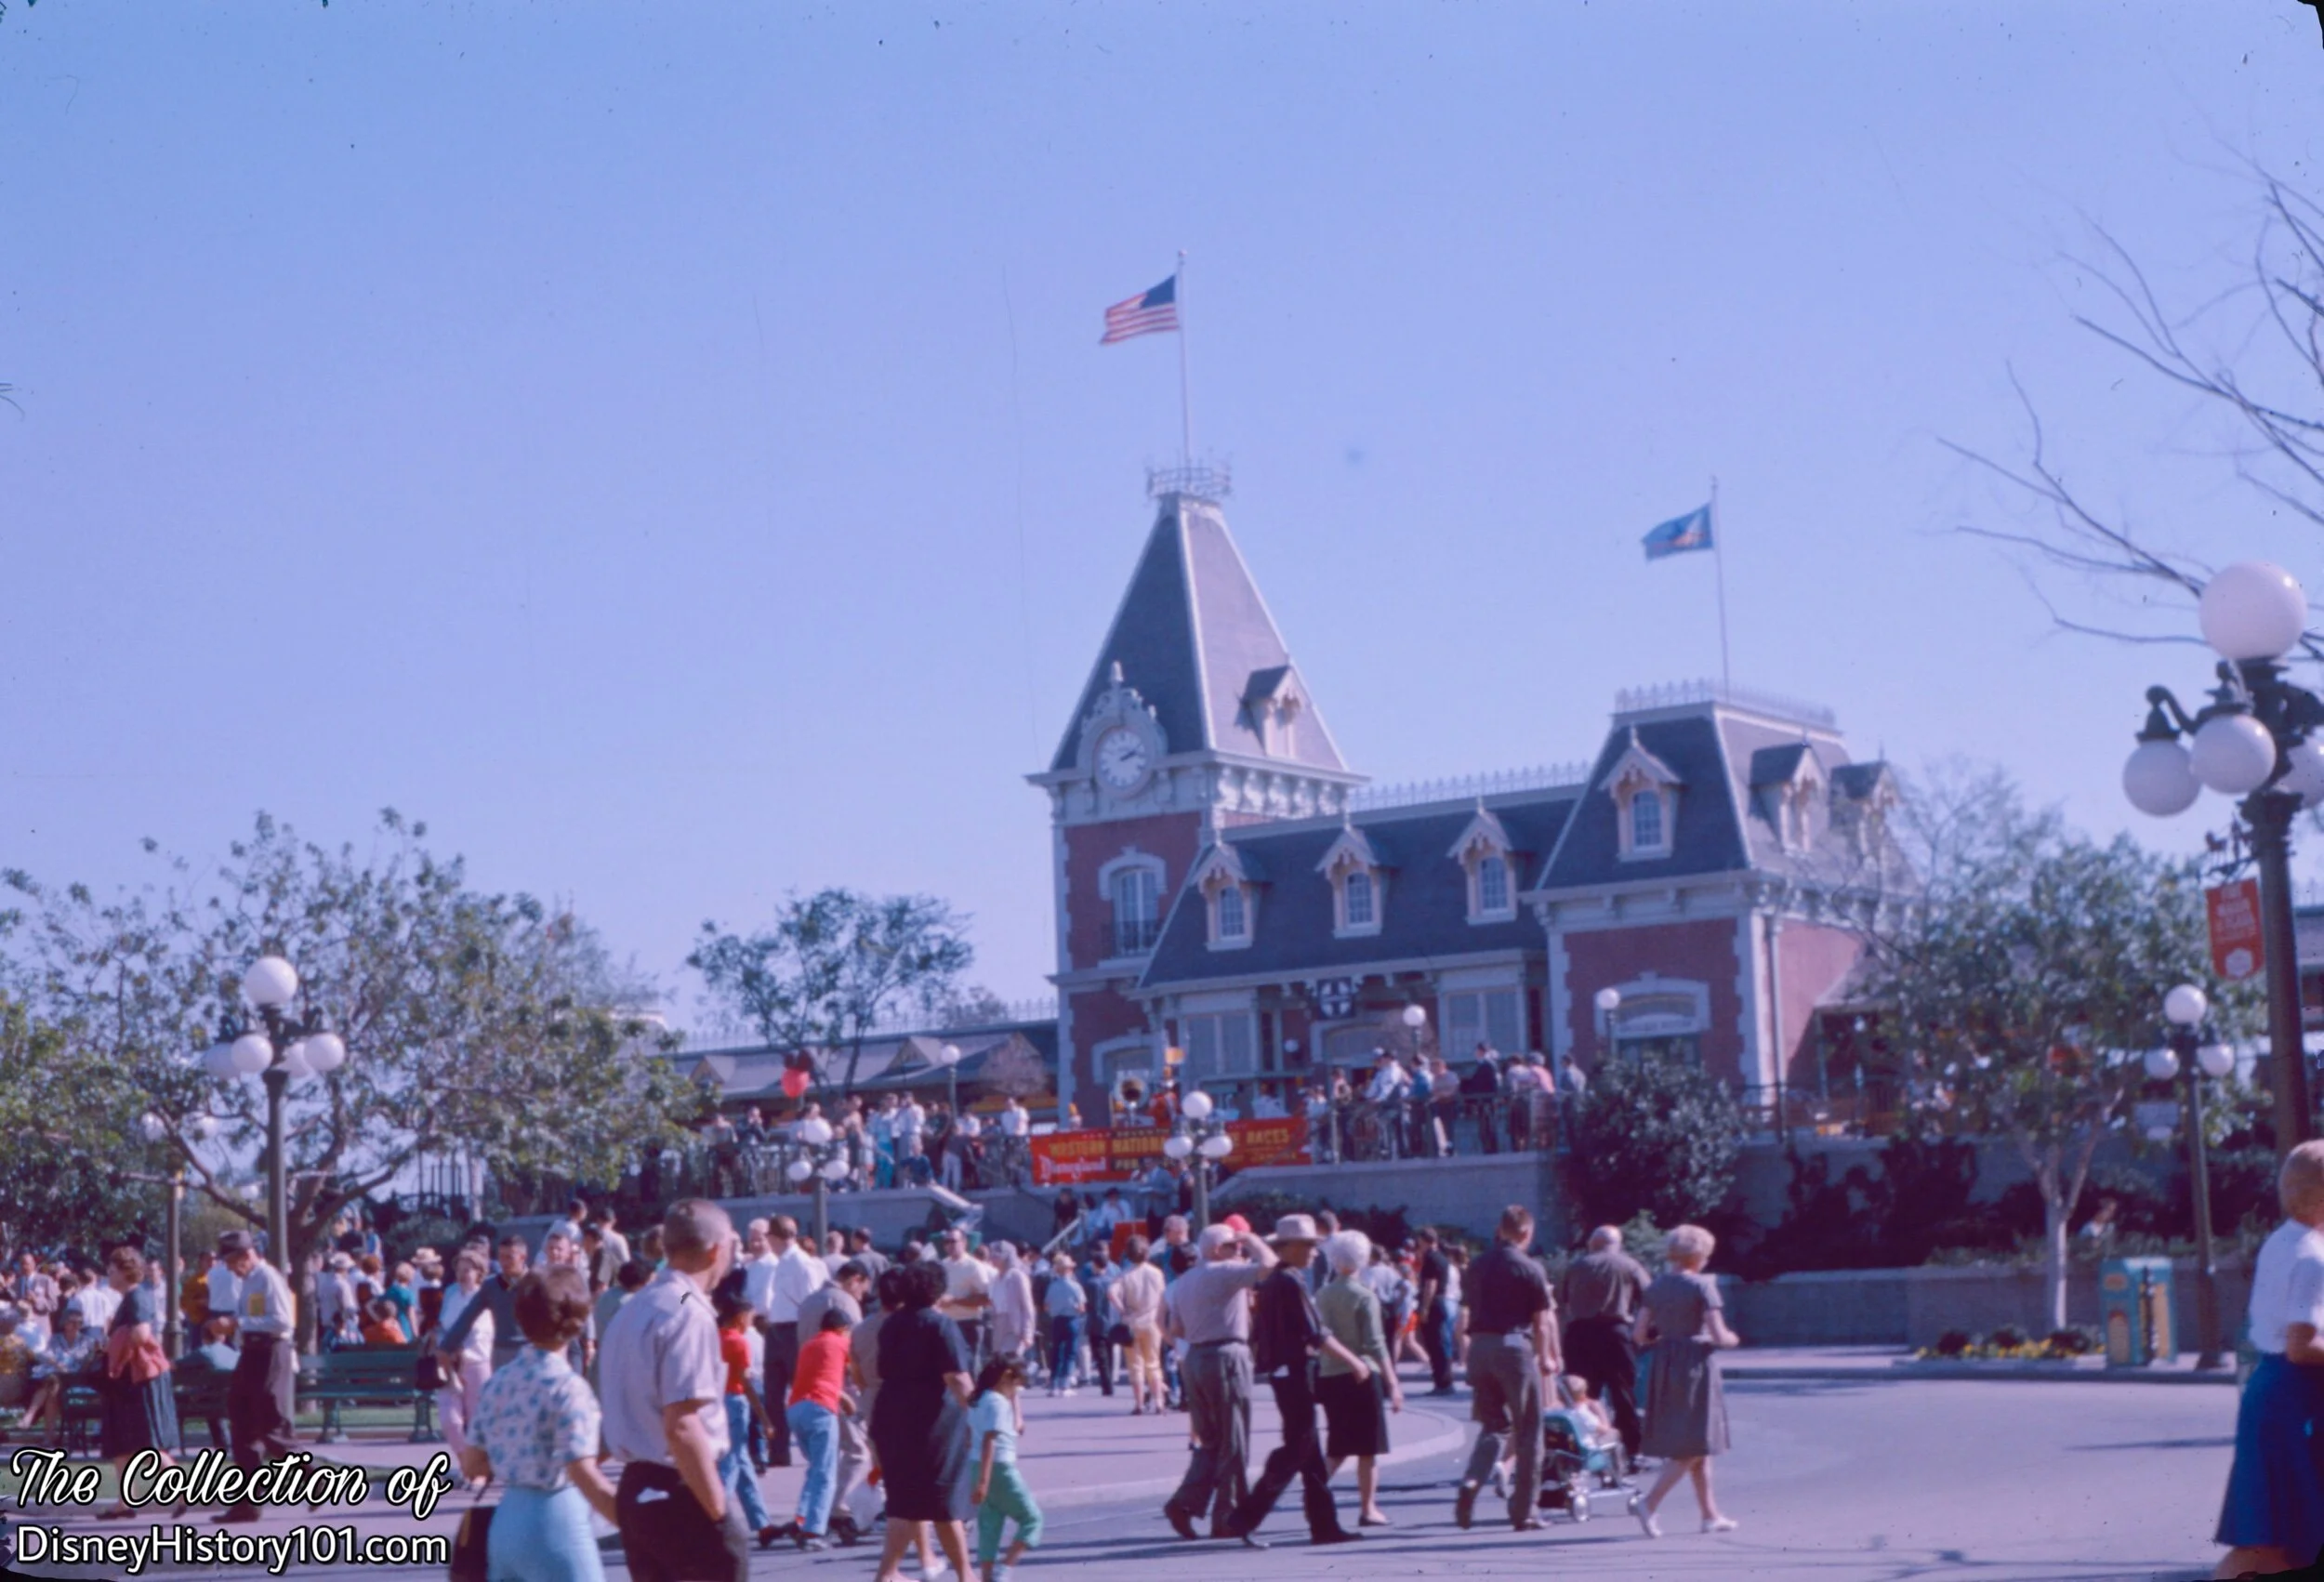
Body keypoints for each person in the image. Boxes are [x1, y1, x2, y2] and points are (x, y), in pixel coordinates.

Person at [600, 1199, 748, 1582]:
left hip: (637, 1489)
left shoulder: (636, 1308)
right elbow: (682, 1425)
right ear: (717, 1250)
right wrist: (720, 1514)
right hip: (679, 1489)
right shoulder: (685, 1312)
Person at [460, 1268, 621, 1582]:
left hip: (506, 1521)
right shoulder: (569, 1388)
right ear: (577, 1320)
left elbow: (472, 1463)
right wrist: (631, 1522)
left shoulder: (500, 1381)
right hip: (556, 1519)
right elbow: (581, 1471)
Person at [2216, 1140, 2324, 1577]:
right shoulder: (2313, 1258)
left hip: (2275, 1395)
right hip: (2292, 1403)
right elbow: (2302, 1346)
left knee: (2280, 1545)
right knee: (2270, 1547)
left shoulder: (2283, 1242)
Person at [1222, 1215, 1362, 1548]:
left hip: (1285, 1375)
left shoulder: (1272, 1282)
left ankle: (1324, 1525)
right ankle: (1245, 1517)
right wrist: (1354, 1361)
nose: (1315, 1252)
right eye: (1309, 1246)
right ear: (1289, 1247)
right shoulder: (1290, 1282)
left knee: (1310, 1453)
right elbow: (1317, 1333)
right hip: (1297, 1374)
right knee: (1296, 1450)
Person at [1160, 1222, 1278, 1540]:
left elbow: (1177, 1330)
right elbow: (1269, 1265)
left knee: (1210, 1441)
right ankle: (1228, 1517)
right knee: (1234, 1440)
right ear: (1216, 1249)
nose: (1238, 1249)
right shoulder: (1225, 1271)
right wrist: (1252, 1238)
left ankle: (1185, 1503)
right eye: (1232, 1244)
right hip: (1226, 1355)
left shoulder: (1184, 1282)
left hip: (1195, 1359)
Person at [1451, 1205, 1561, 1533]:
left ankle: (1473, 1478)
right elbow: (1541, 1323)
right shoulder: (1530, 1268)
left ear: (1500, 1230)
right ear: (1526, 1233)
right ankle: (1524, 1510)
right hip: (1514, 1347)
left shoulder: (1478, 1265)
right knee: (1528, 1430)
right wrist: (1546, 1358)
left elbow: (1467, 1308)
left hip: (1480, 1347)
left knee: (1493, 1425)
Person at [867, 1259, 977, 1582]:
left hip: (891, 1412)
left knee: (904, 1500)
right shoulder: (940, 1325)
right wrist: (980, 1412)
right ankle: (965, 1575)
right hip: (933, 1419)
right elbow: (957, 1378)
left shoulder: (891, 1324)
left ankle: (887, 1574)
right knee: (943, 1500)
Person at [1632, 1222, 1738, 1537]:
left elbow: (1639, 1334)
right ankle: (1649, 1503)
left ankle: (1710, 1515)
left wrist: (1665, 1338)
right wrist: (1731, 1339)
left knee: (1698, 1443)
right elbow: (1718, 1334)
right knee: (1695, 1442)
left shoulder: (1655, 1288)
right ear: (1699, 1256)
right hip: (1694, 1362)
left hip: (1664, 1361)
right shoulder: (1702, 1287)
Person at [1314, 1229, 1400, 1525]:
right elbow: (1376, 1343)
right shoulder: (1365, 1296)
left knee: (1338, 1443)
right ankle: (1368, 1508)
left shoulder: (1321, 1295)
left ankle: (1314, 1491)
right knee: (1368, 1447)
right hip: (1362, 1374)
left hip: (1329, 1374)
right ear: (1363, 1259)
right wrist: (1393, 1382)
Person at [218, 1230, 298, 1524]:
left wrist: (239, 1322)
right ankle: (247, 1503)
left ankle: (309, 1473)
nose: (227, 1267)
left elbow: (282, 1321)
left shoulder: (269, 1278)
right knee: (241, 1422)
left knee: (270, 1421)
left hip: (271, 1351)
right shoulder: (248, 1282)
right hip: (251, 1353)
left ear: (245, 1256)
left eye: (230, 1260)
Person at [91, 1246, 178, 1518]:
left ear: (125, 1271)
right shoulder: (130, 1298)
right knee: (122, 1443)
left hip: (136, 1379)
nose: (108, 1274)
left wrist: (113, 1347)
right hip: (126, 1380)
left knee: (146, 1442)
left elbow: (141, 1334)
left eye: (112, 1269)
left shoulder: (136, 1296)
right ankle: (123, 1503)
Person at [1561, 1224, 1652, 1461]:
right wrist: (1647, 1332)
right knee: (1623, 1394)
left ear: (1593, 1244)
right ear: (1617, 1244)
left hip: (1579, 1333)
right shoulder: (1628, 1265)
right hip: (1615, 1333)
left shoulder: (1576, 1266)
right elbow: (1650, 1298)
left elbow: (1561, 1302)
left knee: (1580, 1396)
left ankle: (1578, 1449)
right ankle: (1631, 1450)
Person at [755, 1215, 829, 1470]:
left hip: (796, 1331)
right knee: (773, 1394)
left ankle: (813, 1448)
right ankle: (779, 1452)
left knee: (802, 1393)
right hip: (776, 1329)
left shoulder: (803, 1264)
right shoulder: (779, 1263)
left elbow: (811, 1303)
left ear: (775, 1238)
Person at [711, 1298, 782, 1548]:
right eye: (750, 1318)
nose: (751, 1323)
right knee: (730, 1465)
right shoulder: (739, 1342)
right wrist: (764, 1418)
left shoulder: (715, 1336)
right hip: (735, 1401)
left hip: (718, 1400)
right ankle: (715, 1522)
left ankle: (762, 1524)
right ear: (741, 1316)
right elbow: (747, 1383)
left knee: (742, 1464)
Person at [786, 1306, 858, 1550]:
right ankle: (813, 1532)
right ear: (842, 1329)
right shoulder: (840, 1343)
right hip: (820, 1409)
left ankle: (802, 1517)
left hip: (796, 1408)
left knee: (816, 1469)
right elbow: (856, 1373)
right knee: (826, 1472)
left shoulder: (810, 1345)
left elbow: (819, 1376)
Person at [970, 1356, 1042, 1582]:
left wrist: (978, 1478)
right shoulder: (997, 1403)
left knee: (990, 1522)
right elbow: (990, 1440)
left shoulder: (979, 1399)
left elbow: (970, 1436)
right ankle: (1006, 1568)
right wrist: (985, 1480)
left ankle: (987, 1575)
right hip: (999, 1468)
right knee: (1032, 1518)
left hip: (975, 1465)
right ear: (1006, 1379)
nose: (1017, 1390)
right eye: (1017, 1383)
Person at [433, 1250, 495, 1470]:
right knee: (450, 1420)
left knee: (478, 1423)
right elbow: (443, 1327)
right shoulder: (452, 1297)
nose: (462, 1275)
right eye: (459, 1270)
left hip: (476, 1364)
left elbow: (482, 1332)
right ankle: (467, 1465)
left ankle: (479, 1470)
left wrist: (462, 1351)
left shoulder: (485, 1297)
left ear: (479, 1272)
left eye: (467, 1270)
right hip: (449, 1366)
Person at [441, 1234, 529, 1372]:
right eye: (501, 1257)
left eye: (509, 1257)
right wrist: (446, 1347)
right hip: (501, 1352)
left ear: (523, 1257)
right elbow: (466, 1318)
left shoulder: (537, 1283)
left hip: (531, 1351)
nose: (504, 1263)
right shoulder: (492, 1286)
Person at [19, 1306, 96, 1445]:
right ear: (65, 1324)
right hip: (56, 1376)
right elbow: (48, 1356)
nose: (75, 1326)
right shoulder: (56, 1339)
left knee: (51, 1383)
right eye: (72, 1322)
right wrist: (57, 1364)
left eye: (79, 1322)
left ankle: (30, 1416)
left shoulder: (87, 1341)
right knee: (52, 1392)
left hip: (75, 1378)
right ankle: (48, 1436)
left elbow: (86, 1363)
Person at [1115, 1235, 1167, 1415]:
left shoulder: (1124, 1274)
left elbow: (1111, 1292)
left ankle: (1139, 1404)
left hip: (1132, 1322)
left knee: (1135, 1364)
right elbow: (1163, 1296)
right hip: (1152, 1321)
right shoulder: (1156, 1273)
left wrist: (1123, 1310)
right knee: (1153, 1363)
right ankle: (1159, 1402)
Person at [936, 1229, 995, 1366]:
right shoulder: (943, 1265)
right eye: (946, 1242)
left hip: (968, 1323)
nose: (949, 1245)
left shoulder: (974, 1266)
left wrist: (955, 1301)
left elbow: (986, 1299)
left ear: (964, 1243)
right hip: (946, 1322)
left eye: (953, 1241)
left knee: (968, 1365)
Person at [1413, 1228, 1456, 1395]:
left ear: (1423, 1240)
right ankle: (1445, 1380)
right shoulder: (1442, 1258)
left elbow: (1431, 1284)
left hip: (1434, 1303)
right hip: (1442, 1301)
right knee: (1441, 1344)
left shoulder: (1430, 1258)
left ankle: (1442, 1382)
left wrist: (1424, 1308)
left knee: (1435, 1345)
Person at [1041, 1252, 1085, 1396]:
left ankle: (1054, 1383)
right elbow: (1081, 1307)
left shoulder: (1052, 1286)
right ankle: (1065, 1385)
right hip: (1072, 1319)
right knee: (1070, 1353)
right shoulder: (1075, 1286)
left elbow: (1046, 1305)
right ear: (1069, 1270)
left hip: (1057, 1320)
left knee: (1057, 1351)